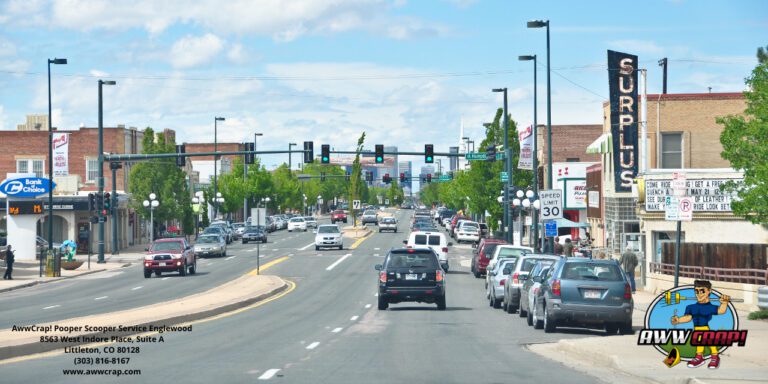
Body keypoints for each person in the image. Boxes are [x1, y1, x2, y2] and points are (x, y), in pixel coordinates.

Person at [671, 280, 729, 369]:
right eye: (696, 291)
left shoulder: (710, 307)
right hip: (696, 328)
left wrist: (724, 303)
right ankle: (699, 357)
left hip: (705, 328)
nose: (699, 294)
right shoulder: (690, 307)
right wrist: (678, 320)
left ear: (709, 291)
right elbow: (688, 318)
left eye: (702, 291)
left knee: (708, 340)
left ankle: (714, 357)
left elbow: (721, 310)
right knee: (698, 341)